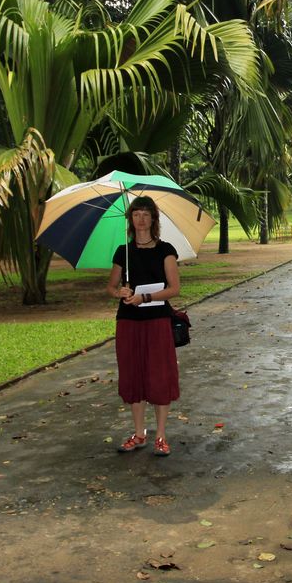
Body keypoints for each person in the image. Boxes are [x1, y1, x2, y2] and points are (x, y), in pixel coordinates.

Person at [106, 195, 181, 456]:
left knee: (159, 377)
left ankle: (161, 435)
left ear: (153, 219)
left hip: (157, 320)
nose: (141, 219)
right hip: (128, 322)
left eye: (146, 214)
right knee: (133, 375)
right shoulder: (122, 252)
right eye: (136, 214)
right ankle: (139, 433)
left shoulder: (166, 250)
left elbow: (174, 288)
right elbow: (110, 286)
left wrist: (145, 297)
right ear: (131, 219)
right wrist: (121, 293)